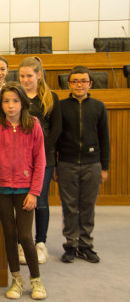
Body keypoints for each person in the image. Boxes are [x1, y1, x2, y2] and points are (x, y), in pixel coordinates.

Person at [0, 83, 47, 300]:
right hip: (1, 189)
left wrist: (34, 192)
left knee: (24, 235)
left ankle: (36, 280)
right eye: (6, 101)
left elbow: (40, 160)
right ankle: (17, 280)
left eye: (15, 101)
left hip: (25, 189)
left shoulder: (33, 125)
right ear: (0, 104)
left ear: (23, 103)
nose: (10, 106)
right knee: (9, 234)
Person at [55, 66, 110, 264]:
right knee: (69, 207)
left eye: (83, 81)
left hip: (92, 164)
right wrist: (54, 165)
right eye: (75, 81)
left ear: (90, 84)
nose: (79, 84)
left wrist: (104, 167)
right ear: (68, 84)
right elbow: (55, 138)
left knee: (87, 206)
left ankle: (86, 245)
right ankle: (71, 245)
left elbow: (105, 138)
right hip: (67, 164)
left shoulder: (99, 106)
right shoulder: (60, 106)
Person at [19, 57, 61, 264]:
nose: (26, 80)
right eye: (22, 76)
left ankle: (40, 243)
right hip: (20, 158)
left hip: (45, 157)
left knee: (40, 199)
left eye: (29, 76)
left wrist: (40, 152)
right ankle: (22, 242)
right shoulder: (17, 96)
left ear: (39, 75)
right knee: (21, 199)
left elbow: (57, 129)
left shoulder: (50, 97)